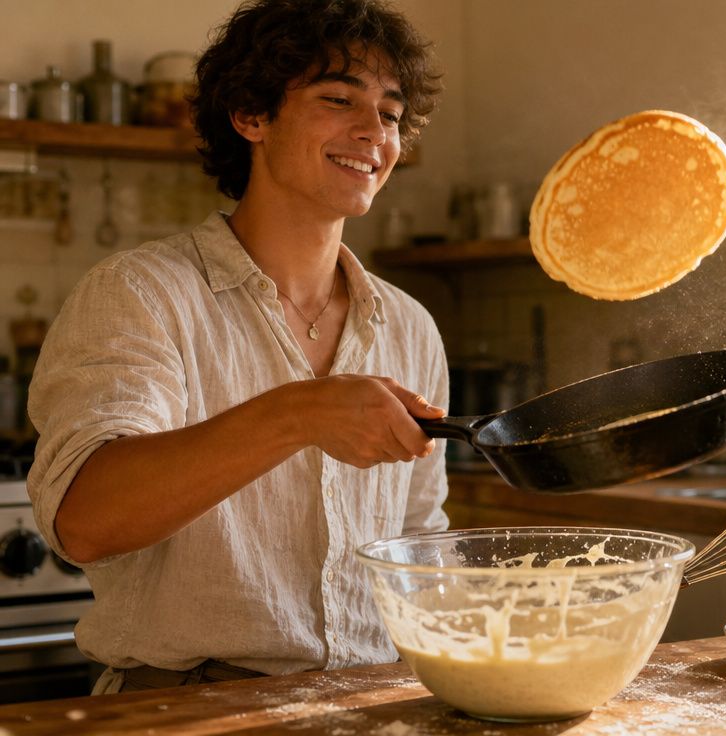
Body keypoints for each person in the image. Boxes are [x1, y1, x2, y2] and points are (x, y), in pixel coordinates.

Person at [26, 0, 446, 694]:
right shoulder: (141, 293)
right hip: (186, 706)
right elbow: (85, 522)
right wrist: (299, 415)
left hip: (372, 701)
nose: (374, 131)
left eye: (392, 114)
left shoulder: (409, 326)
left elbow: (419, 542)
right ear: (251, 116)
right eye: (339, 98)